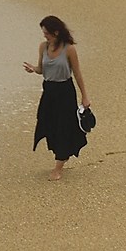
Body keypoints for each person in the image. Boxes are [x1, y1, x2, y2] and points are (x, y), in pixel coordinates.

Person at [25, 16, 93, 175]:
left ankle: (58, 166)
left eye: (47, 33)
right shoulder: (43, 47)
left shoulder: (69, 49)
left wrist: (85, 96)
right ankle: (62, 153)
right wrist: (33, 69)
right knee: (48, 124)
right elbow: (42, 69)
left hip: (65, 91)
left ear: (56, 32)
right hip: (48, 91)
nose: (44, 36)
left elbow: (77, 73)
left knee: (63, 127)